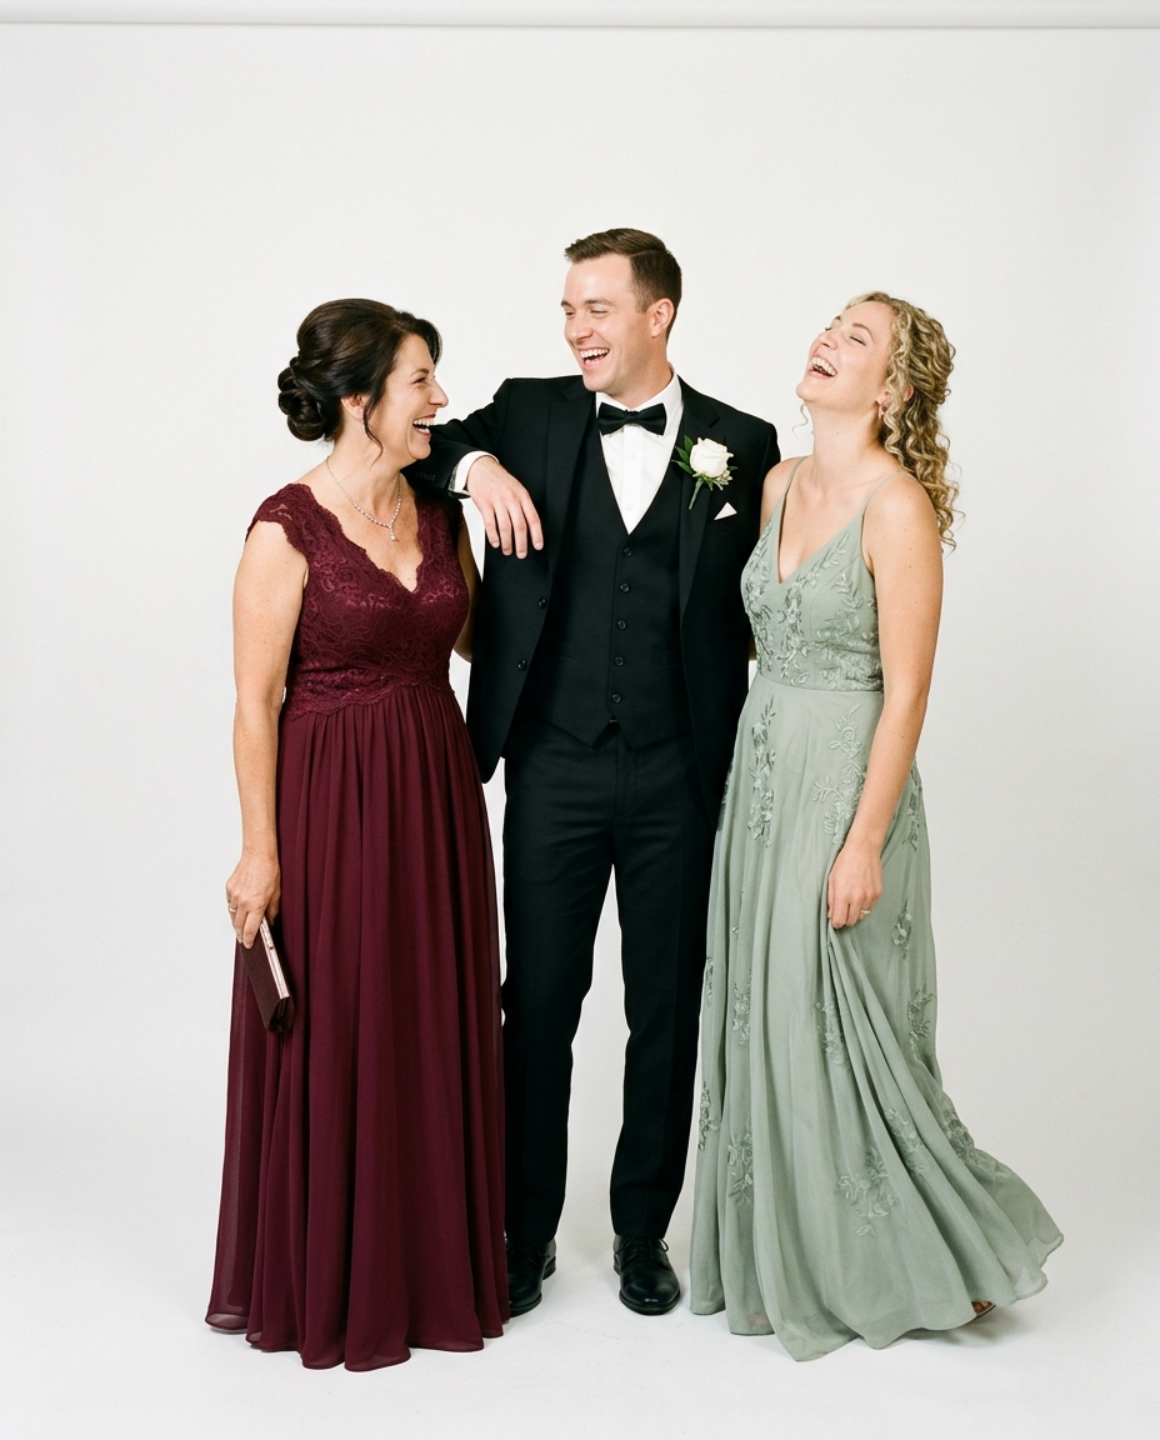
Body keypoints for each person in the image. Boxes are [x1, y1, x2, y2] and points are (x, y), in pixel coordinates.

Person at [414, 229, 779, 1317]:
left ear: (657, 315)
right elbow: (420, 442)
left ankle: (640, 1233)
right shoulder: (527, 413)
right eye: (568, 310)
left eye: (597, 309)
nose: (576, 329)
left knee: (665, 1009)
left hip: (680, 773)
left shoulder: (740, 442)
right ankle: (522, 1232)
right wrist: (476, 467)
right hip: (553, 766)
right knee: (537, 1004)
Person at [689, 293, 1062, 1360]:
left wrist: (860, 842)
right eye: (829, 325)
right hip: (763, 769)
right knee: (766, 1005)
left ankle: (936, 1252)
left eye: (855, 339)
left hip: (845, 783)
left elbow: (907, 691)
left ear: (891, 390)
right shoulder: (772, 484)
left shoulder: (895, 507)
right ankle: (790, 1249)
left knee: (843, 1017)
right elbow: (760, 635)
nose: (825, 341)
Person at [205, 299, 508, 1369]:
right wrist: (260, 851)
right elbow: (255, 702)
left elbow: (480, 639)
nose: (440, 399)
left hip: (435, 795)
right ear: (357, 399)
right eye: (420, 380)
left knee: (426, 1013)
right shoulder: (283, 527)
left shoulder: (436, 512)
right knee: (341, 1021)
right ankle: (337, 1277)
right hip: (329, 801)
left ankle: (428, 1267)